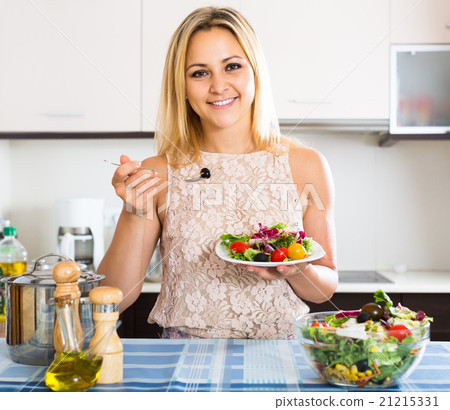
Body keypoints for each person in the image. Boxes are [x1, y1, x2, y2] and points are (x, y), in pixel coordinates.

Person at [98, 6, 337, 339]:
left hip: (280, 356)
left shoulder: (305, 164)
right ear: (181, 86)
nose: (218, 85)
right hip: (183, 362)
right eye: (199, 73)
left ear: (255, 71)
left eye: (232, 66)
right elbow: (114, 297)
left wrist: (296, 271)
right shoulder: (159, 172)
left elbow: (324, 288)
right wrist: (134, 212)